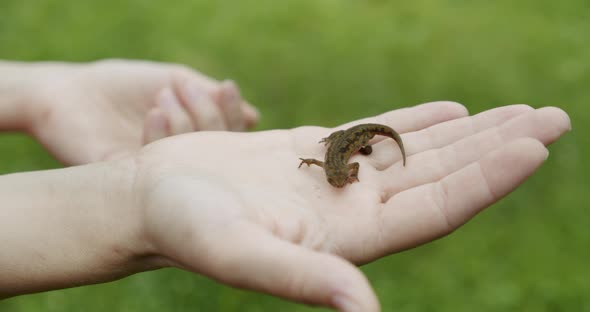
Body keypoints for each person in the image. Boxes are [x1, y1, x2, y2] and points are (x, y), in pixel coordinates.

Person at [0, 59, 571, 312]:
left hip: (349, 138)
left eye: (347, 172)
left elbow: (343, 150)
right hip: (340, 143)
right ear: (339, 169)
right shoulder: (331, 166)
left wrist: (37, 90)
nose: (346, 178)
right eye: (344, 174)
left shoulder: (345, 157)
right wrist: (130, 198)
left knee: (374, 134)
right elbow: (323, 160)